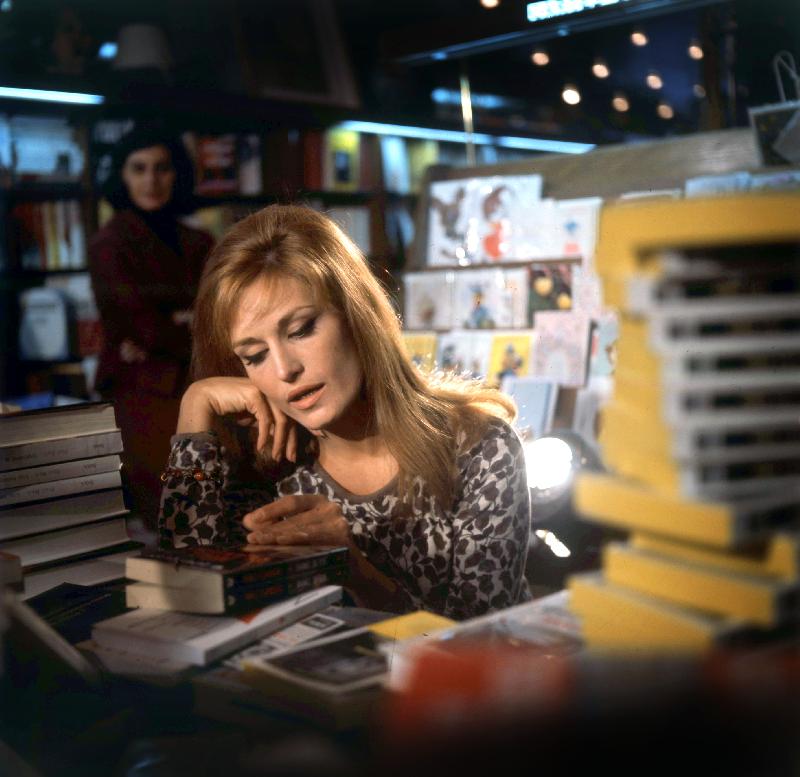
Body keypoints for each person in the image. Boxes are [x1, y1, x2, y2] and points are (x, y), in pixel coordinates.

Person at [158, 205, 531, 619]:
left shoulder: (480, 450)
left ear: (356, 315)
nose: (285, 370)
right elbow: (186, 603)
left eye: (300, 330)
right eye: (255, 355)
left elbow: (476, 645)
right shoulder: (263, 465)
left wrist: (353, 568)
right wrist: (194, 407)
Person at [88, 124, 214, 525]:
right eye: (138, 168)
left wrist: (179, 324)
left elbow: (220, 315)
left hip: (194, 380)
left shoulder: (200, 241)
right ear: (122, 176)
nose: (151, 180)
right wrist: (186, 323)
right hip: (141, 390)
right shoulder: (110, 242)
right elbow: (143, 325)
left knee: (210, 501)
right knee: (170, 509)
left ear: (176, 173)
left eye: (161, 168)